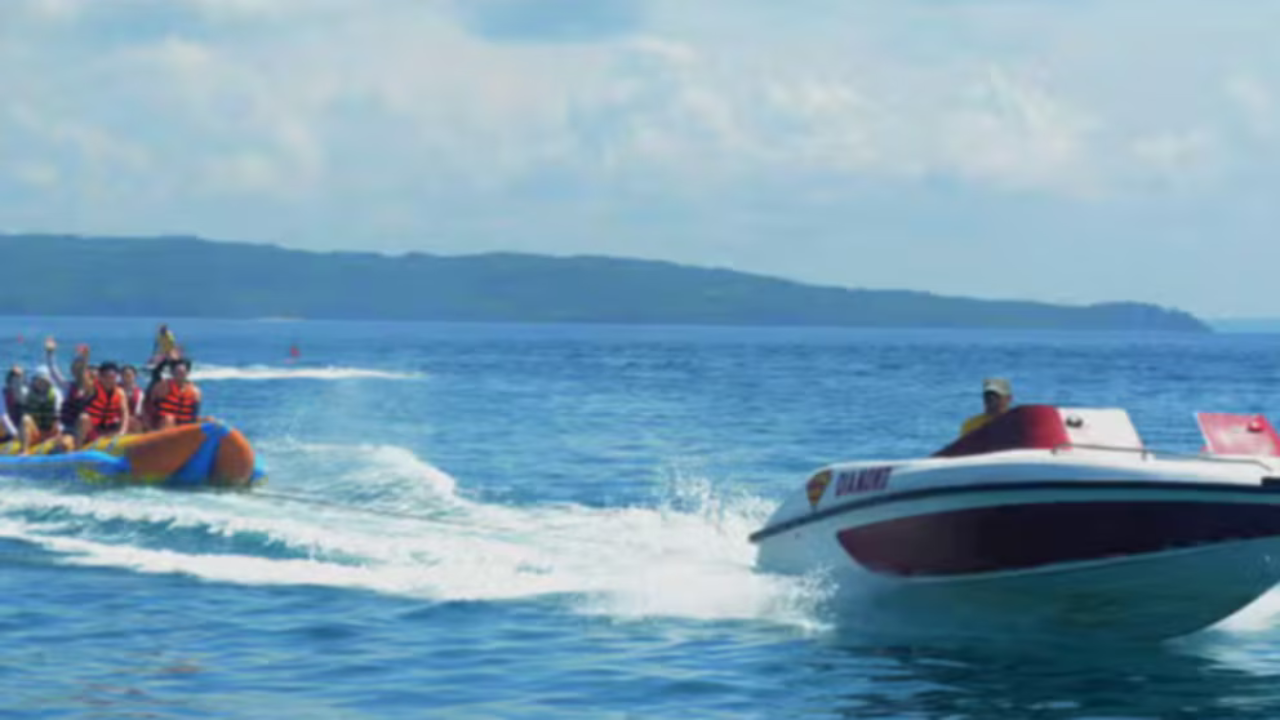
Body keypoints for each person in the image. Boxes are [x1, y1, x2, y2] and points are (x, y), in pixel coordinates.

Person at [74, 361, 130, 447]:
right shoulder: (93, 388)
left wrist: (122, 431)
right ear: (100, 377)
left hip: (110, 428)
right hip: (93, 429)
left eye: (112, 377)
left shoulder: (120, 392)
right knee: (83, 418)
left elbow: (125, 413)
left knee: (134, 423)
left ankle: (132, 450)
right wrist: (84, 359)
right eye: (106, 377)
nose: (109, 380)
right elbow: (82, 377)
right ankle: (78, 448)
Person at [19, 369, 62, 453]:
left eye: (44, 381)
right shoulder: (27, 393)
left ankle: (57, 445)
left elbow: (59, 416)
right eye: (39, 380)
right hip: (36, 433)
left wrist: (55, 436)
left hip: (51, 433)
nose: (41, 383)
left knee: (57, 420)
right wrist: (18, 377)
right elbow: (17, 390)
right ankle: (24, 451)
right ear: (34, 381)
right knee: (25, 418)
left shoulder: (56, 394)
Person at [154, 356, 201, 428]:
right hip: (165, 424)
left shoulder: (195, 391)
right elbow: (151, 406)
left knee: (210, 420)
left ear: (187, 373)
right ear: (172, 372)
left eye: (182, 372)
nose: (179, 375)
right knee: (169, 419)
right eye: (177, 372)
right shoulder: (164, 386)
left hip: (185, 423)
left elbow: (195, 414)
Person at [120, 364, 146, 432]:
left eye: (129, 375)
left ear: (135, 376)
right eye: (124, 375)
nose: (127, 377)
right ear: (121, 376)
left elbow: (138, 412)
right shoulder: (115, 389)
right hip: (116, 419)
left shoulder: (140, 393)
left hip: (132, 421)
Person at [2, 366, 23, 445]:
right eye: (13, 379)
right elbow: (3, 416)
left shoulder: (25, 393)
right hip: (6, 430)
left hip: (18, 431)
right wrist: (15, 434)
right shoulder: (2, 393)